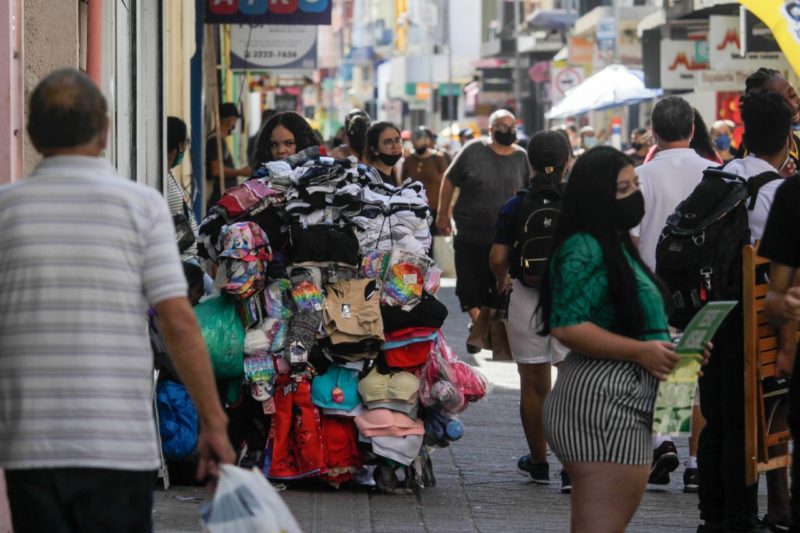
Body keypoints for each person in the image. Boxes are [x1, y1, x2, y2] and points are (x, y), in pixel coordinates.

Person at [0, 68, 234, 532]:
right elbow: (178, 321)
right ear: (106, 129)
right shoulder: (141, 207)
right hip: (119, 446)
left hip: (31, 447)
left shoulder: (7, 211)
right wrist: (212, 422)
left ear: (30, 133)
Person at [539, 146, 701, 532]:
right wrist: (642, 351)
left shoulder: (614, 244)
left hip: (620, 402)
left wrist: (670, 350)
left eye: (635, 185)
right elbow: (567, 325)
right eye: (623, 189)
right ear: (597, 196)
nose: (635, 196)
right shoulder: (586, 246)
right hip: (606, 405)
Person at [697, 91, 795, 533]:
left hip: (706, 315)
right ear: (787, 138)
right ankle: (739, 517)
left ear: (744, 134)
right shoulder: (777, 191)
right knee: (745, 420)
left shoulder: (718, 176)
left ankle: (713, 514)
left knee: (715, 416)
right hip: (752, 320)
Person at [633, 97, 715, 487]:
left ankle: (663, 441)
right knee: (693, 373)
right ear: (693, 129)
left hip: (653, 289)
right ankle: (696, 463)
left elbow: (630, 240)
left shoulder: (640, 176)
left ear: (654, 131)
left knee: (661, 369)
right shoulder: (718, 173)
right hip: (703, 289)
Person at [489, 131, 572, 492]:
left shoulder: (516, 204)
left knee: (534, 386)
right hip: (572, 298)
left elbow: (496, 257)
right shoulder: (580, 201)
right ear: (568, 160)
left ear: (530, 163)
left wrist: (501, 279)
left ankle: (539, 463)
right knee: (571, 385)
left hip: (527, 296)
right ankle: (573, 468)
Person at [436, 109, 531, 352]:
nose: (508, 130)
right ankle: (478, 324)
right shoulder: (473, 150)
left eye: (511, 126)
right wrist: (442, 214)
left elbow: (530, 191)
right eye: (502, 126)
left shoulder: (522, 157)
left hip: (505, 237)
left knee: (498, 286)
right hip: (470, 232)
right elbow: (449, 179)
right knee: (469, 284)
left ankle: (479, 328)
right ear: (490, 129)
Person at [744, 68, 800, 175]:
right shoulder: (752, 155)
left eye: (792, 95)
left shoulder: (796, 143)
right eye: (781, 102)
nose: (793, 106)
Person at [206, 102, 252, 209]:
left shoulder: (220, 140)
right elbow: (216, 170)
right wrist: (241, 171)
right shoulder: (215, 140)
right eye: (235, 121)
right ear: (230, 120)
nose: (234, 125)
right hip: (217, 199)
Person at [166, 116, 199, 260]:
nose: (186, 147)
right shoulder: (163, 181)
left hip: (189, 256)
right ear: (179, 145)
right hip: (183, 259)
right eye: (186, 142)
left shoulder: (168, 174)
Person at [401, 126, 447, 218]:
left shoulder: (438, 158)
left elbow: (445, 184)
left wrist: (445, 211)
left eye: (420, 141)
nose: (418, 145)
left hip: (434, 209)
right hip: (413, 210)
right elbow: (403, 183)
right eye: (415, 142)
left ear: (426, 141)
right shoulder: (408, 160)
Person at [252, 111, 319, 167]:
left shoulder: (323, 178)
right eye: (273, 145)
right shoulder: (259, 180)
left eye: (289, 143)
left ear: (304, 143)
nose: (280, 151)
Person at [365, 121, 403, 186]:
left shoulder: (393, 174)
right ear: (374, 149)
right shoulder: (370, 179)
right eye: (388, 142)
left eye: (397, 140)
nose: (395, 146)